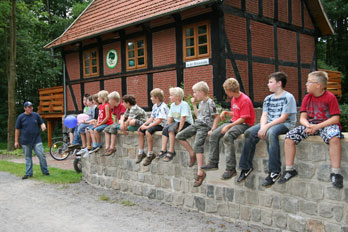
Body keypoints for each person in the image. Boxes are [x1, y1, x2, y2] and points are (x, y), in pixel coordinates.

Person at [278, 71, 344, 189]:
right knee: (289, 137)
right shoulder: (307, 98)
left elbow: (335, 118)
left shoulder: (330, 97)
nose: (306, 84)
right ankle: (289, 170)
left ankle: (336, 173)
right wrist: (308, 125)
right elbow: (302, 117)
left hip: (326, 124)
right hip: (311, 125)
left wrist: (317, 127)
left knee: (334, 138)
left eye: (309, 82)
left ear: (318, 85)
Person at [237, 72, 297, 187]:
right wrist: (263, 126)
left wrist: (266, 128)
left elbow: (283, 118)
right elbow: (264, 115)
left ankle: (274, 171)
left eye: (270, 82)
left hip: (285, 124)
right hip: (269, 123)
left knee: (271, 133)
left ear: (279, 83)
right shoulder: (268, 98)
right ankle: (246, 167)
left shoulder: (288, 97)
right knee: (249, 133)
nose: (268, 84)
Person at [200, 78, 255, 181]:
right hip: (235, 121)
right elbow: (237, 113)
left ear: (230, 90)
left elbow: (243, 118)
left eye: (225, 90)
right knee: (214, 134)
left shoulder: (245, 100)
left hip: (245, 124)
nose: (225, 93)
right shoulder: (234, 98)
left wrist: (229, 126)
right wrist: (226, 112)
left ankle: (230, 168)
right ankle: (213, 162)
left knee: (227, 136)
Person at [176, 81, 219, 187]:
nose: (194, 94)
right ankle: (192, 153)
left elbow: (216, 116)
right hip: (197, 123)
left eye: (195, 92)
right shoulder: (201, 103)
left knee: (197, 145)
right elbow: (198, 115)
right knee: (179, 136)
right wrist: (194, 105)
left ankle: (201, 171)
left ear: (201, 92)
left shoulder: (210, 102)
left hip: (204, 126)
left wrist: (212, 129)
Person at [14, 101, 50, 179]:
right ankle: (29, 173)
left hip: (36, 140)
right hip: (25, 141)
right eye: (29, 107)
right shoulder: (20, 117)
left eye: (31, 107)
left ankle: (45, 172)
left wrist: (43, 125)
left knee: (42, 156)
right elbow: (17, 129)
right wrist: (16, 141)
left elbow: (41, 122)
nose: (31, 108)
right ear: (25, 108)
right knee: (28, 157)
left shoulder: (36, 115)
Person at [157, 87, 193, 162]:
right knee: (166, 129)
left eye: (171, 95)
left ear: (177, 97)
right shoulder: (172, 105)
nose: (169, 97)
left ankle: (171, 150)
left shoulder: (184, 104)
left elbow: (183, 118)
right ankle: (163, 149)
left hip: (186, 124)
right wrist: (166, 126)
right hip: (177, 123)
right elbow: (170, 118)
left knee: (171, 129)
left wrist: (179, 129)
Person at [138, 88, 169, 166]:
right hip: (155, 123)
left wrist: (148, 127)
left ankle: (150, 154)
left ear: (157, 98)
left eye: (151, 97)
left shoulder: (163, 106)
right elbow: (151, 118)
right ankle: (141, 152)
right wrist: (144, 125)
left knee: (148, 132)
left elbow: (159, 120)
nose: (150, 98)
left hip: (162, 125)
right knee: (140, 131)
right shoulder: (155, 106)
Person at [119, 95, 147, 162]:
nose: (122, 104)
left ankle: (141, 153)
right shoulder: (128, 108)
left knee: (132, 122)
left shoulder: (134, 108)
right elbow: (123, 117)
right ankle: (128, 127)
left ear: (128, 103)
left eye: (123, 102)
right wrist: (122, 123)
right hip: (136, 124)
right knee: (121, 123)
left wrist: (124, 128)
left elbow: (129, 120)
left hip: (144, 123)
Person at [103, 91, 126, 156]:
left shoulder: (122, 106)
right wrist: (113, 124)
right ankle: (107, 147)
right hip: (118, 122)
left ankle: (112, 147)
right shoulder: (115, 107)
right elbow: (115, 117)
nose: (109, 101)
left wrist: (118, 124)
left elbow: (122, 117)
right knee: (106, 129)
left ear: (113, 100)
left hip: (123, 122)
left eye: (110, 100)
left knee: (113, 128)